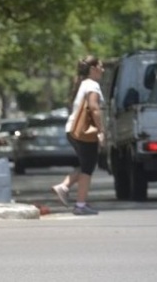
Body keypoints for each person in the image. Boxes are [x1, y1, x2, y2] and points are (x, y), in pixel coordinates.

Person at [51, 55, 105, 216]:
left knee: (86, 164)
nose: (103, 69)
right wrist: (101, 130)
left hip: (72, 130)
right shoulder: (92, 85)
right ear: (93, 69)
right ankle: (80, 205)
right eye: (101, 66)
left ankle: (64, 187)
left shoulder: (83, 84)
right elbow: (94, 108)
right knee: (88, 168)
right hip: (83, 132)